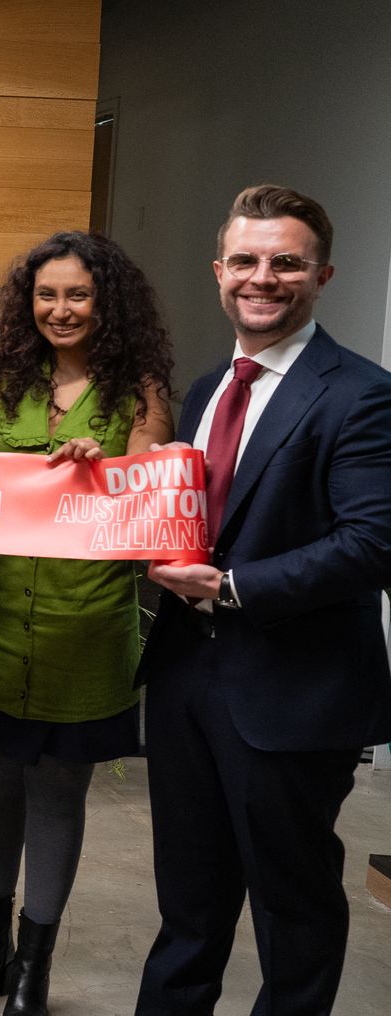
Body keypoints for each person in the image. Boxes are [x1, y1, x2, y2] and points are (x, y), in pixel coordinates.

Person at [134, 186, 391, 1015]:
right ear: (219, 272)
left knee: (294, 909)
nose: (263, 278)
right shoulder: (209, 390)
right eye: (245, 261)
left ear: (322, 274)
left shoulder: (362, 393)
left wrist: (235, 590)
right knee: (188, 903)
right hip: (187, 686)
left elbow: (372, 544)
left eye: (286, 262)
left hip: (293, 695)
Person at [0, 230, 174, 1016]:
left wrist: (105, 473)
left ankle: (35, 960)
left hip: (88, 626)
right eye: (47, 294)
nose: (61, 309)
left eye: (78, 295)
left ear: (105, 302)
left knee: (60, 791)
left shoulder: (139, 390)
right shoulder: (4, 376)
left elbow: (154, 512)